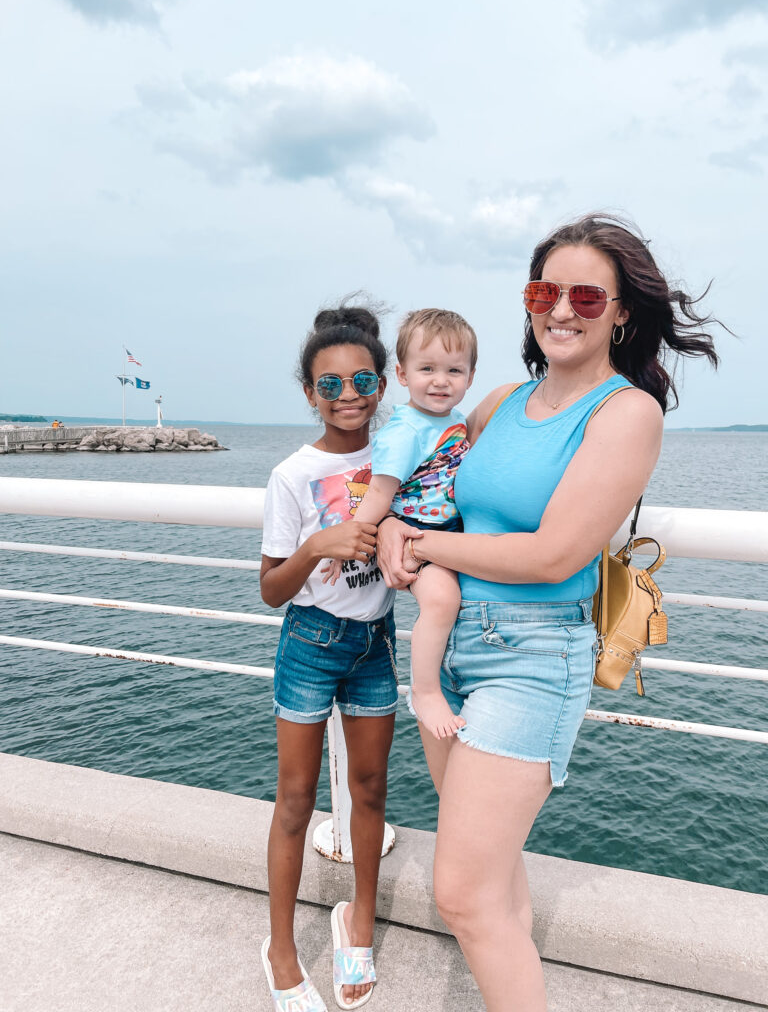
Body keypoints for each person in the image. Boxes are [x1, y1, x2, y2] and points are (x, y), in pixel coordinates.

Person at [376, 214, 722, 1012]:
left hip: (532, 660)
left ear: (623, 310)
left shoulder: (625, 412)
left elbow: (552, 555)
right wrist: (397, 523)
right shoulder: (499, 401)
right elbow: (428, 483)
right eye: (543, 290)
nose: (560, 309)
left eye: (585, 295)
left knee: (459, 894)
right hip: (451, 646)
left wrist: (425, 550)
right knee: (491, 888)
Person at [260, 302, 398, 1011]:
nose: (348, 397)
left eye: (363, 381)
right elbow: (270, 590)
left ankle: (359, 918)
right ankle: (280, 949)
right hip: (310, 644)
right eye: (331, 385)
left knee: (371, 791)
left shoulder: (401, 454)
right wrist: (318, 544)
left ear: (384, 384)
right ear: (310, 392)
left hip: (375, 642)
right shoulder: (292, 475)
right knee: (295, 801)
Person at [324, 308, 477, 739]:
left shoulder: (456, 422)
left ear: (470, 376)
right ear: (403, 374)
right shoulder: (404, 431)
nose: (440, 380)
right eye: (427, 368)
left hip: (449, 535)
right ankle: (426, 692)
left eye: (454, 370)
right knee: (442, 601)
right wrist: (347, 543)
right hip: (413, 536)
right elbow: (377, 494)